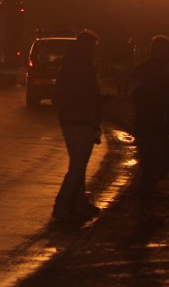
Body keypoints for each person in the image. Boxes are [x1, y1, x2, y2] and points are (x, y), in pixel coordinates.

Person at [52, 29, 105, 221]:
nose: (95, 50)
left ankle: (79, 203)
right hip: (82, 121)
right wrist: (94, 121)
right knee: (78, 166)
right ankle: (62, 205)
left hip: (68, 120)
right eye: (93, 46)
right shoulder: (85, 67)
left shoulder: (67, 66)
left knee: (78, 164)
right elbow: (89, 96)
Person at [128, 35, 169, 223]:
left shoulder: (146, 70)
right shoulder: (155, 72)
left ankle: (143, 206)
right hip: (152, 125)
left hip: (149, 124)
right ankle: (137, 200)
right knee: (159, 165)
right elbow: (160, 96)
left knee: (153, 166)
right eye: (167, 50)